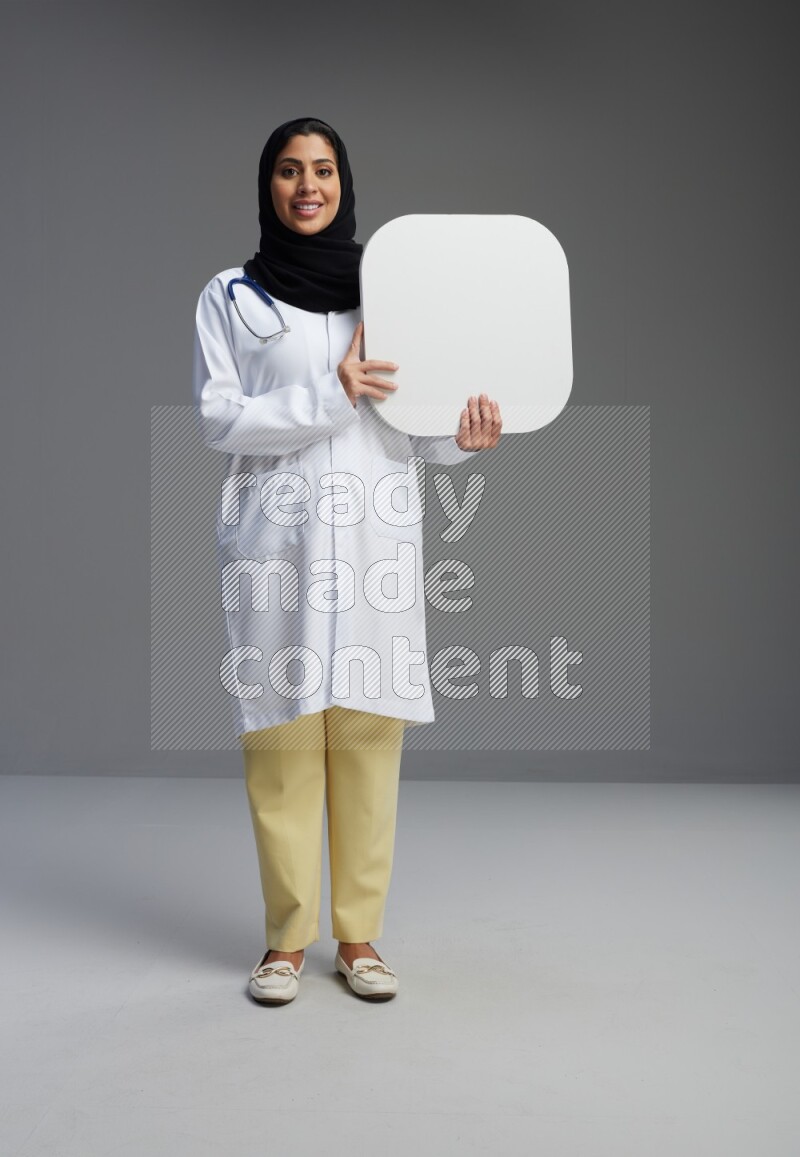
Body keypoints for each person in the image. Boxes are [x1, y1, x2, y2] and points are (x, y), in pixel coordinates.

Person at [192, 117, 502, 1004]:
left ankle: (358, 937)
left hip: (374, 541)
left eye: (322, 169)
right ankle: (286, 941)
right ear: (269, 185)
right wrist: (329, 394)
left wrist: (466, 440)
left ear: (344, 181)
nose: (307, 186)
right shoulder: (231, 296)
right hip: (276, 544)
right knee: (283, 742)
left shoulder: (388, 291)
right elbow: (220, 419)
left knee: (368, 740)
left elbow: (423, 433)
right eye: (289, 171)